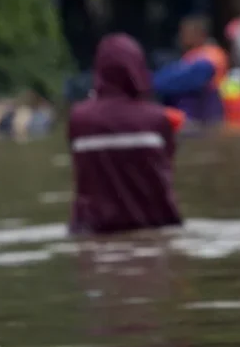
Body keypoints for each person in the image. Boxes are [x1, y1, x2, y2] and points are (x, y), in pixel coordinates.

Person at [68, 33, 185, 235]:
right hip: (156, 229)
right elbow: (167, 165)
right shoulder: (156, 118)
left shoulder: (79, 119)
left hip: (93, 232)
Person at [152, 15, 228, 126]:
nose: (181, 36)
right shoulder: (191, 53)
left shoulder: (211, 54)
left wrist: (148, 82)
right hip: (191, 115)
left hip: (204, 114)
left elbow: (188, 79)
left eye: (185, 32)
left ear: (200, 34)